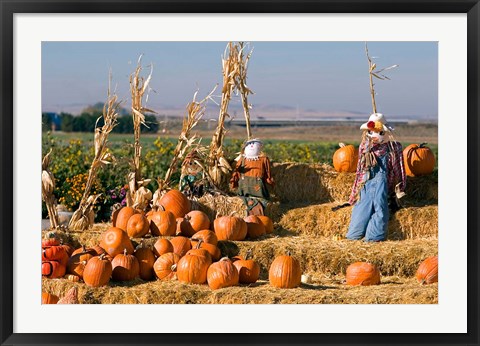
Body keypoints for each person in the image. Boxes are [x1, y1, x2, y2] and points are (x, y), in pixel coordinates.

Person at [346, 113, 406, 242]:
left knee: (380, 209)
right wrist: (354, 193)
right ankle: (354, 236)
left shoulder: (393, 147)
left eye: (378, 133)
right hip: (366, 182)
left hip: (382, 184)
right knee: (361, 208)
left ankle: (373, 238)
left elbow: (398, 168)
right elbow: (360, 170)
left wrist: (399, 187)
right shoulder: (365, 147)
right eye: (370, 132)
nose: (374, 136)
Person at [230, 138, 275, 215]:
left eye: (254, 144)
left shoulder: (264, 159)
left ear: (260, 147)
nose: (251, 145)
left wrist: (270, 182)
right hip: (243, 192)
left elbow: (268, 173)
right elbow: (236, 173)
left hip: (259, 193)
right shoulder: (242, 159)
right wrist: (233, 182)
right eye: (249, 144)